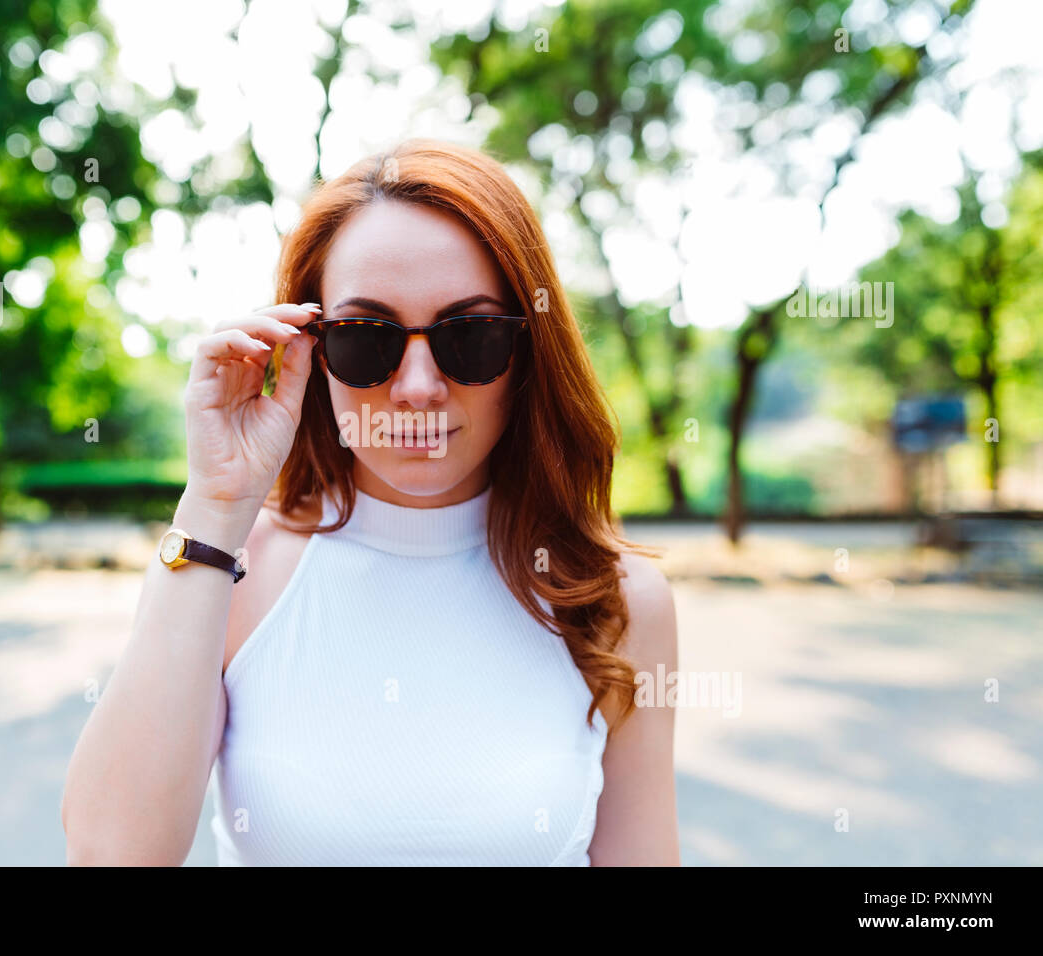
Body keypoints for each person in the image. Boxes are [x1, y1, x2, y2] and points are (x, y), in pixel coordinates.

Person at [61, 138, 680, 866]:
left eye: (471, 336)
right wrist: (216, 504)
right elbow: (111, 856)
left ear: (528, 354)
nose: (417, 386)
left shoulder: (615, 600)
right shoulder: (231, 566)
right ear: (310, 350)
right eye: (366, 338)